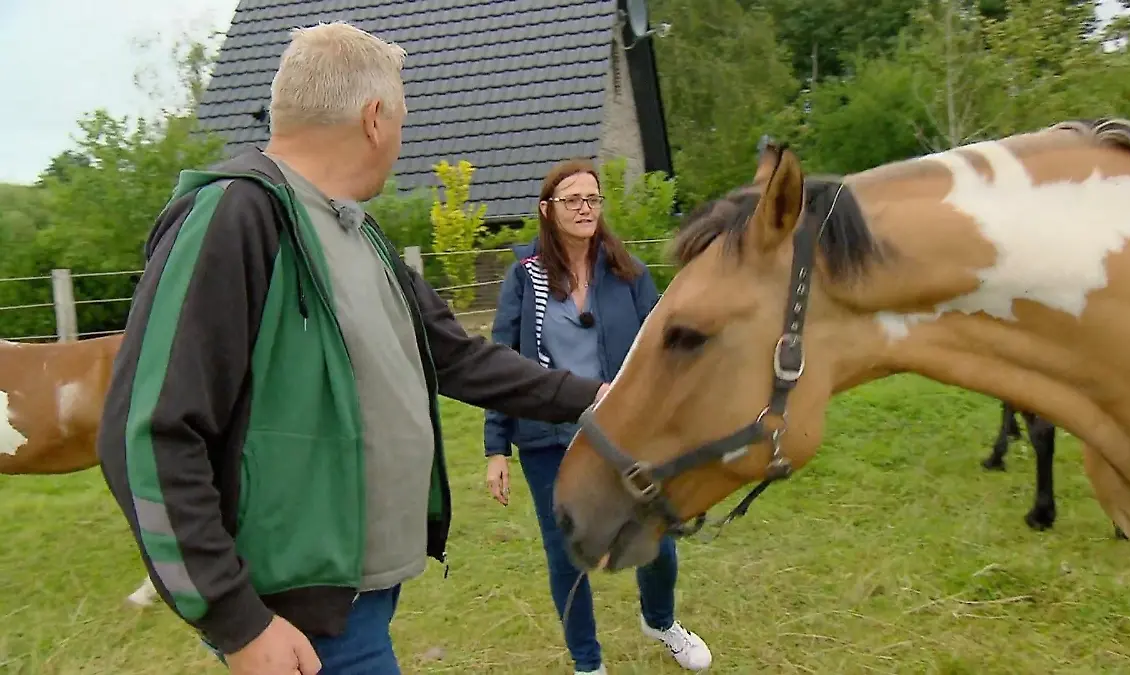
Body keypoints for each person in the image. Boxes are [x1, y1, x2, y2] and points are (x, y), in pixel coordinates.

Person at [95, 22, 608, 675]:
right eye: (400, 121)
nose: (399, 141)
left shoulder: (358, 232)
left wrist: (594, 397)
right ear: (374, 119)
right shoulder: (235, 215)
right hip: (298, 618)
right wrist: (237, 621)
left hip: (358, 598)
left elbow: (456, 356)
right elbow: (145, 433)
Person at [482, 159, 713, 674]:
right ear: (548, 210)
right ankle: (588, 664)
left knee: (654, 538)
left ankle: (660, 621)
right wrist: (496, 447)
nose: (585, 208)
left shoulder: (628, 273)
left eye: (593, 198)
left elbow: (661, 348)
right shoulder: (525, 277)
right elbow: (502, 363)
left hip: (623, 435)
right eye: (572, 200)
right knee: (568, 555)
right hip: (549, 438)